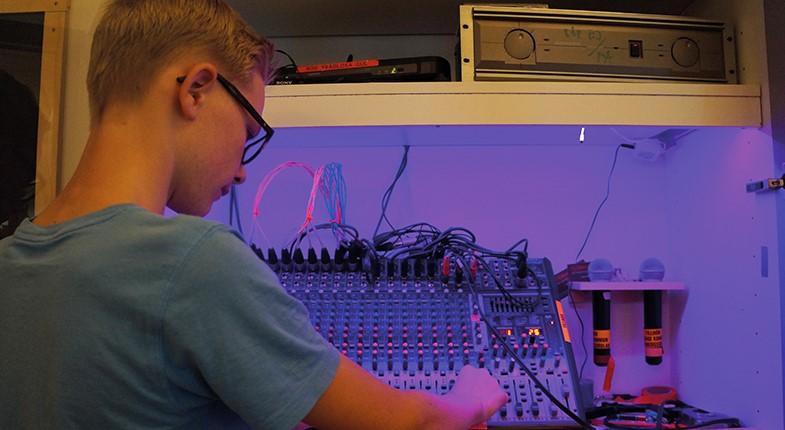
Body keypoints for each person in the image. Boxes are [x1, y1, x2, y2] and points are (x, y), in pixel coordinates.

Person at [0, 1, 508, 429]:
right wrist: (471, 394)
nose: (243, 171)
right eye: (248, 132)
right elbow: (414, 424)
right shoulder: (193, 261)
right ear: (196, 90)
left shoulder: (8, 265)